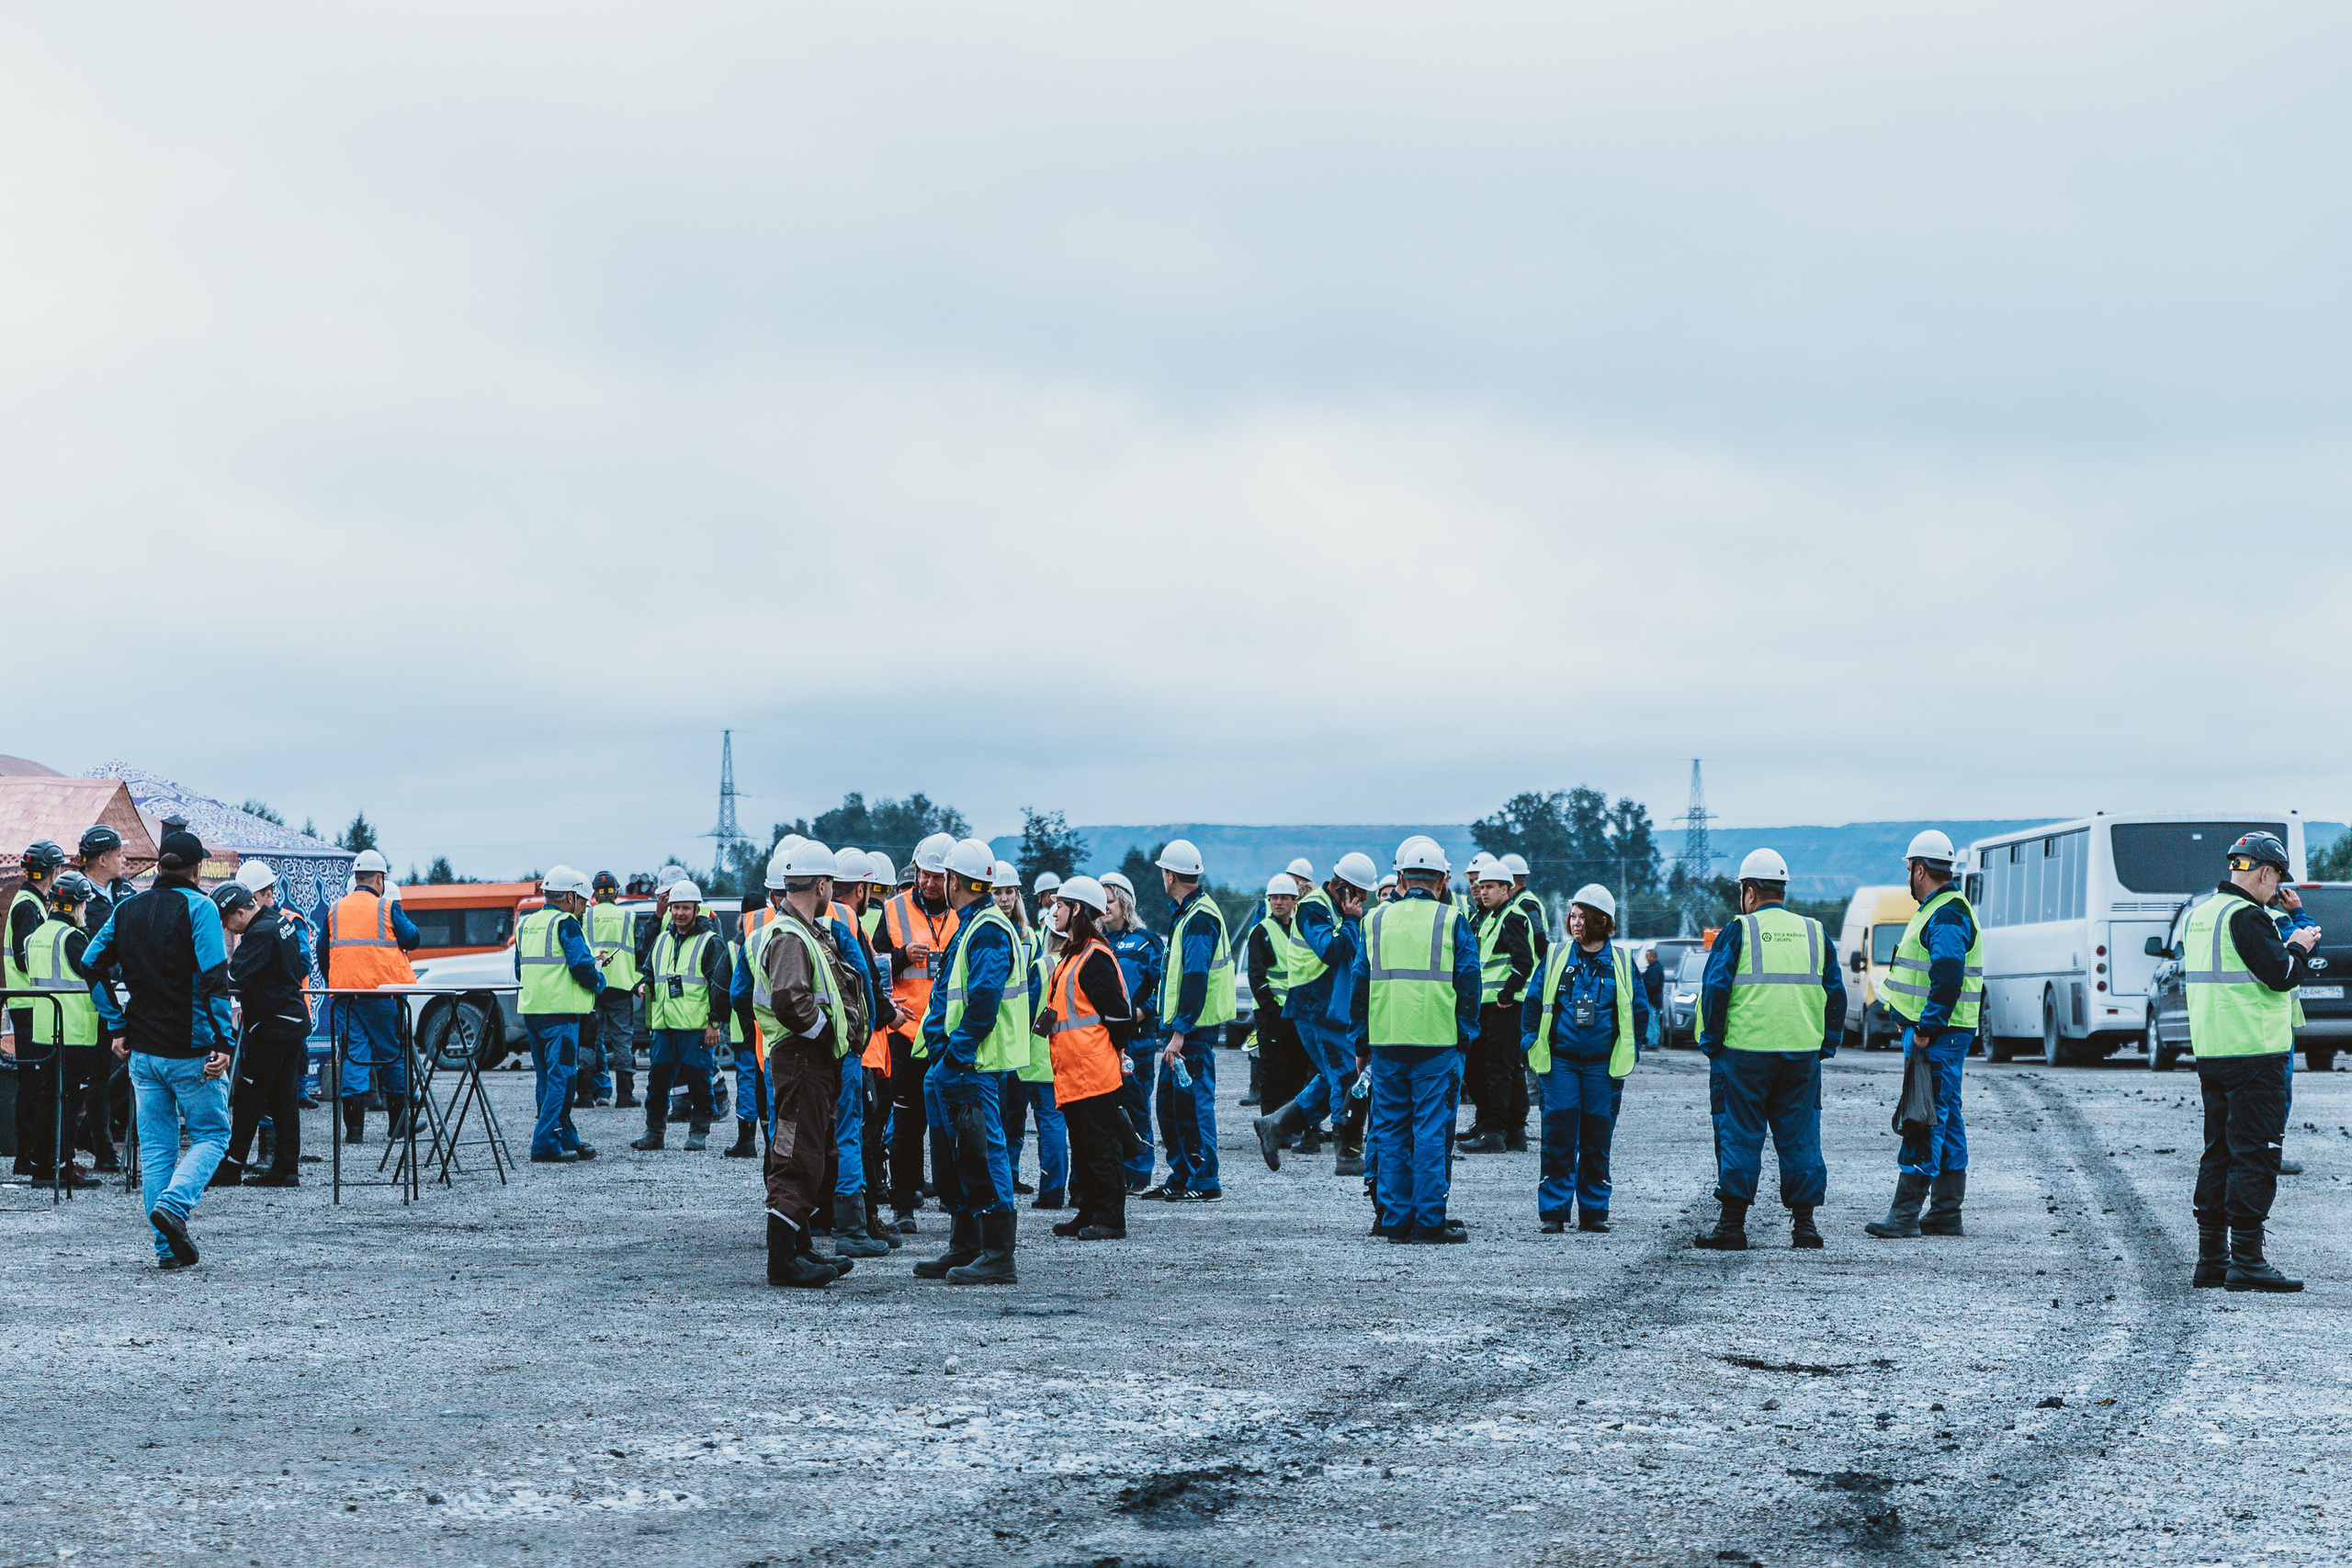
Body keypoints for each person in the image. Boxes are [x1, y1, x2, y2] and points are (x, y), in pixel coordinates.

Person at [74, 831, 238, 1268]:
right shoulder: (201, 908)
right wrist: (225, 1041)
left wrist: (116, 1022)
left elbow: (90, 964)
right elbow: (214, 979)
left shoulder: (127, 908)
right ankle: (175, 1205)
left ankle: (166, 1249)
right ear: (197, 869)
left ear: (160, 866)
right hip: (191, 1051)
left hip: (143, 1053)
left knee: (157, 1151)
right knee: (213, 1135)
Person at [2180, 830, 2317, 1292]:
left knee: (2218, 1152)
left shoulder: (2202, 915)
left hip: (2214, 1050)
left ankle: (2212, 1260)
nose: (2276, 887)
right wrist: (2299, 944)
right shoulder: (2247, 916)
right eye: (2276, 878)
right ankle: (2248, 1261)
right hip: (2256, 1051)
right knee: (2255, 1156)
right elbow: (2282, 975)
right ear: (2264, 872)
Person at [1692, 849, 1847, 1251]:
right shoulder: (1815, 932)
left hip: (1743, 1055)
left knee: (1739, 1135)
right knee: (1801, 1138)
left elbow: (1715, 989)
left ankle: (1732, 1226)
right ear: (1782, 890)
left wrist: (1712, 1042)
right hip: (1802, 1056)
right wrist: (1826, 1043)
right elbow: (1836, 995)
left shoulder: (1739, 930)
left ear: (1749, 891)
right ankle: (1805, 1227)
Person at [1351, 837, 1482, 1242]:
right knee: (1429, 1132)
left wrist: (1361, 1044)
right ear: (1442, 881)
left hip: (1386, 1042)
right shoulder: (1452, 920)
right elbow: (1469, 984)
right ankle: (1428, 1222)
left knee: (1389, 1131)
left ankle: (1394, 1220)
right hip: (1437, 1043)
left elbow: (1359, 985)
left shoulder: (1374, 921)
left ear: (1403, 880)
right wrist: (1464, 1037)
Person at [912, 838, 1031, 1284]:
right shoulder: (974, 925)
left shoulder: (986, 929)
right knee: (955, 1157)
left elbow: (983, 1000)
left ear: (955, 881)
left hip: (973, 1064)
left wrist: (956, 1053)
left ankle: (997, 1255)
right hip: (957, 1064)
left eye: (944, 876)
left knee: (983, 1154)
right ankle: (966, 1246)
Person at [1865, 830, 1983, 1240]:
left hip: (1938, 1036)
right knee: (1945, 1117)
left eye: (1909, 870)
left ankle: (1905, 1214)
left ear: (1919, 869)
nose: (1908, 878)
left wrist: (1927, 1027)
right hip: (1942, 1032)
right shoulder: (1942, 908)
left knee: (1924, 1117)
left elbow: (1947, 973)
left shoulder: (1946, 913)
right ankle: (1946, 1213)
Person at [758, 838, 865, 1288]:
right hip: (803, 1058)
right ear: (821, 885)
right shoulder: (790, 936)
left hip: (810, 1060)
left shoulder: (804, 931)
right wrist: (826, 1037)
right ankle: (784, 1261)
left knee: (812, 1153)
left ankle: (799, 1248)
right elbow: (789, 1001)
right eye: (831, 885)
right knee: (797, 1155)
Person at [1522, 885, 1646, 1233]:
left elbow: (1639, 1011)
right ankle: (1553, 1212)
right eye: (1573, 916)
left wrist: (1632, 1050)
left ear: (1601, 921)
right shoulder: (1556, 957)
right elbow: (1533, 1004)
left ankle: (1594, 1212)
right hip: (1560, 1063)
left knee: (1597, 1139)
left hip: (1602, 1067)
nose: (1575, 923)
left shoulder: (1622, 962)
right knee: (1558, 1136)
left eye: (1583, 917)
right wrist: (1530, 1044)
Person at [1251, 852, 1378, 1175]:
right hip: (1316, 1007)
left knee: (1332, 1076)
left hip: (1328, 1008)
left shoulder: (1333, 908)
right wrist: (1352, 921)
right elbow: (1331, 951)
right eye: (1360, 892)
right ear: (1342, 886)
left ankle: (1275, 1124)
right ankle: (1347, 1154)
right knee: (1347, 1078)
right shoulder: (1312, 907)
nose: (1364, 899)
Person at [1038, 876, 1137, 1241]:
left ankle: (1110, 1218)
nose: (1055, 911)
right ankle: (1089, 1211)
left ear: (1077, 908)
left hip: (1093, 1070)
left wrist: (1110, 1052)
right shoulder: (1074, 955)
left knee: (1101, 1146)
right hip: (1074, 1072)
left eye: (1061, 905)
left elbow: (1119, 1017)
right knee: (1083, 1146)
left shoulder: (1094, 957)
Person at [869, 832, 959, 1230]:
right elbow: (873, 966)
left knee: (952, 1125)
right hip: (906, 1033)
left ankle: (955, 1204)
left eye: (937, 877)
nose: (929, 883)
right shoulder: (894, 909)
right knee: (906, 1124)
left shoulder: (964, 912)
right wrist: (901, 957)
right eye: (924, 874)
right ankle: (903, 1207)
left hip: (947, 1034)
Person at [218, 861, 313, 1187]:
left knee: (249, 1096)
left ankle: (231, 1167)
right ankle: (286, 1167)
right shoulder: (280, 922)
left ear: (240, 912)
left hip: (271, 1027)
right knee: (283, 1098)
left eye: (227, 921)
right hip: (291, 1022)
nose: (228, 928)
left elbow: (233, 978)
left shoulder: (259, 934)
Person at [1148, 840, 1232, 1202]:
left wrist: (1180, 1031)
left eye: (1163, 872)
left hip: (1191, 1033)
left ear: (1170, 875)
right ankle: (1182, 1175)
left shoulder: (1198, 918)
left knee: (1193, 1106)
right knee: (1170, 1107)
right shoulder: (1188, 913)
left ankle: (1205, 1179)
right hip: (1181, 1031)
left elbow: (1196, 979)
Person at [321, 847, 421, 1145]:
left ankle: (354, 1131)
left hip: (345, 997)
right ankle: (398, 1126)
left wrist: (338, 980)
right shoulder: (387, 907)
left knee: (353, 1055)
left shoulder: (335, 909)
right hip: (382, 995)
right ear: (379, 879)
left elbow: (323, 952)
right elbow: (412, 939)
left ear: (356, 878)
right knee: (393, 1055)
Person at [820, 848, 889, 1253]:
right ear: (862, 888)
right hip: (848, 1046)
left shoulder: (777, 924)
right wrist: (874, 1023)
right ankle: (852, 1228)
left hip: (793, 1050)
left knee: (806, 1134)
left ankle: (809, 1221)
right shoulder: (846, 921)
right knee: (851, 1134)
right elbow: (864, 982)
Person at [21, 871, 108, 1190]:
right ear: (76, 906)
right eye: (84, 905)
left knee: (47, 1100)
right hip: (73, 1033)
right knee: (69, 1104)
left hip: (44, 1031)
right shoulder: (72, 938)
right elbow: (94, 976)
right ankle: (62, 1166)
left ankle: (42, 1166)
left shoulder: (37, 936)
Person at [629, 879, 729, 1153]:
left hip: (695, 1028)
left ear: (697, 910)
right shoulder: (662, 940)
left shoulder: (711, 942)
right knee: (657, 1084)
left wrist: (714, 1023)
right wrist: (642, 986)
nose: (679, 913)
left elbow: (720, 987)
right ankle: (654, 1133)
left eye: (686, 908)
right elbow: (649, 973)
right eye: (675, 907)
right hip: (664, 1027)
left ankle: (698, 1133)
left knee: (700, 1083)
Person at [514, 867, 605, 1164]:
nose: (584, 909)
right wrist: (599, 980)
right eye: (583, 902)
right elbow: (580, 966)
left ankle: (566, 1138)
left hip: (533, 1012)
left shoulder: (526, 924)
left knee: (548, 1080)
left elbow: (520, 969)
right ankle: (544, 1143)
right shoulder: (566, 923)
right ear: (569, 897)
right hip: (562, 1015)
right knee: (562, 1080)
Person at [995, 861, 1065, 1208]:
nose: (1005, 898)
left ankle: (1016, 1179)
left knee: (1018, 1115)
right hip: (1024, 1043)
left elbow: (1031, 1001)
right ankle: (1021, 1178)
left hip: (1025, 1045)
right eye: (998, 892)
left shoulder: (1033, 945)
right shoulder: (1078, 959)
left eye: (1010, 892)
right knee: (1020, 1115)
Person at [1461, 861, 1538, 1154]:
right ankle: (1512, 1131)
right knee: (1503, 1068)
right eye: (1481, 886)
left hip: (1504, 1006)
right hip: (1490, 1005)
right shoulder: (1492, 918)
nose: (1483, 891)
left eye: (1490, 887)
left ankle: (1494, 1132)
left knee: (1499, 1068)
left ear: (1506, 888)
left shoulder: (1512, 917)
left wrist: (1507, 993)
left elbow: (1524, 961)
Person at [6, 839, 71, 1180]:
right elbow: (23, 957)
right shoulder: (28, 906)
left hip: (31, 1003)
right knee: (34, 1081)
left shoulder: (30, 903)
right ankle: (27, 1156)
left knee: (36, 1080)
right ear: (54, 872)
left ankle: (31, 1154)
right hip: (29, 1004)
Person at [1099, 872, 1165, 1192]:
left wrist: (1142, 1011)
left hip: (1137, 1040)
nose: (1104, 908)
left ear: (1124, 903)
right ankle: (1114, 1171)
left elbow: (1163, 986)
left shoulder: (1147, 941)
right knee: (1105, 1110)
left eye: (1109, 901)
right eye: (1100, 902)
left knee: (1136, 1107)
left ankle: (1139, 1173)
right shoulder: (1094, 942)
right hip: (1100, 1041)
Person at [1244, 874, 1312, 1145]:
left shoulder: (1300, 929)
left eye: (1284, 898)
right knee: (1273, 1072)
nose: (1278, 902)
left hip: (1295, 1012)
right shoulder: (1261, 932)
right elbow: (1256, 976)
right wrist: (1272, 1009)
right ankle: (1270, 1129)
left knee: (1296, 1071)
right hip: (1272, 1014)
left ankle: (1288, 1128)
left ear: (1295, 901)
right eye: (1274, 898)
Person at [579, 871, 640, 1109]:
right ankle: (625, 1095)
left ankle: (585, 1095)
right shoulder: (629, 917)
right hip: (622, 986)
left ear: (594, 894)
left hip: (592, 987)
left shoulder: (584, 916)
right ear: (616, 892)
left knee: (589, 1041)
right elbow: (640, 952)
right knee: (622, 1041)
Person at [76, 825, 139, 934]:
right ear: (103, 861)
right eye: (119, 855)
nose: (124, 860)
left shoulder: (126, 886)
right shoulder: (77, 893)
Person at [1639, 945, 1668, 1050]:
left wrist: (1645, 992)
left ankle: (1652, 1043)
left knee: (1651, 1021)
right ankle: (1654, 1041)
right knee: (1654, 1021)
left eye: (1647, 956)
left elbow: (1652, 984)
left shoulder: (1653, 969)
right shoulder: (1657, 968)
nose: (1646, 958)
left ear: (1652, 956)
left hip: (1652, 999)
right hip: (1656, 999)